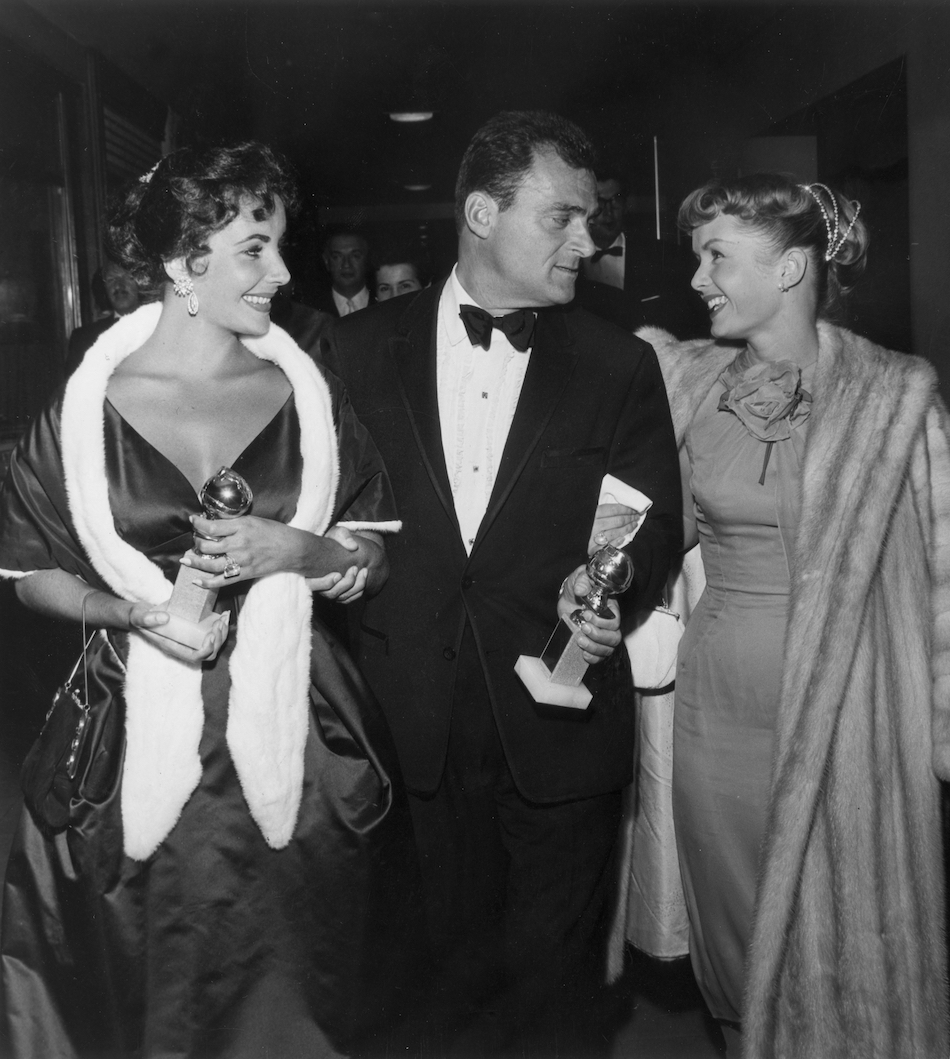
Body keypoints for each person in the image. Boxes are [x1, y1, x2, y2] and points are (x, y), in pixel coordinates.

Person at [0, 142, 422, 1058]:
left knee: (298, 990)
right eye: (254, 248)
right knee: (144, 988)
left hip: (300, 738)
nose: (281, 271)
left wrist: (298, 549)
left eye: (278, 247)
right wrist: (128, 615)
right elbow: (27, 573)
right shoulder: (83, 407)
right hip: (130, 737)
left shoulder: (309, 396)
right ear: (183, 262)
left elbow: (375, 559)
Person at [323, 110, 681, 1056]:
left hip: (558, 736)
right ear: (482, 213)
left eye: (592, 218)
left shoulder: (620, 365)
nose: (588, 237)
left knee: (554, 1008)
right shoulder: (351, 355)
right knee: (416, 998)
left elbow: (649, 526)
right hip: (405, 732)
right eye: (561, 216)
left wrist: (606, 588)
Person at [631, 173, 950, 1057]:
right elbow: (653, 539)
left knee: (853, 950)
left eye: (717, 257)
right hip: (716, 708)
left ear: (792, 268)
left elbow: (944, 582)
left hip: (853, 712)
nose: (697, 278)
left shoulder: (896, 402)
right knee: (738, 948)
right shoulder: (688, 386)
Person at [574, 166, 706, 337]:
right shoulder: (570, 259)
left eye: (616, 199)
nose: (609, 211)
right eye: (600, 202)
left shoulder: (664, 256)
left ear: (626, 205)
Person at [65, 258, 141, 375]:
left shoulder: (160, 327)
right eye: (111, 279)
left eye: (127, 277)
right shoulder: (83, 339)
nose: (119, 285)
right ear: (105, 288)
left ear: (141, 283)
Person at [312, 230, 373, 317]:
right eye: (337, 257)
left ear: (366, 259)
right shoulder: (312, 311)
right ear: (326, 261)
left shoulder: (383, 302)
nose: (346, 265)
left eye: (355, 256)